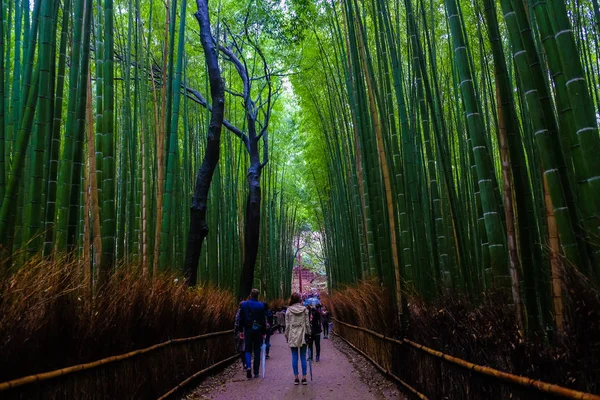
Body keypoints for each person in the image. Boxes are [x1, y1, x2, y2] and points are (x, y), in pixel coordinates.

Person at [240, 289, 266, 379]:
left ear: (250, 295)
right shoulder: (261, 305)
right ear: (257, 296)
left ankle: (248, 367)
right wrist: (263, 332)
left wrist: (240, 331)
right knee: (257, 350)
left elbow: (241, 319)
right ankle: (256, 371)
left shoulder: (244, 305)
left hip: (247, 329)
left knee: (248, 349)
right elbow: (263, 320)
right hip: (258, 330)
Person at [285, 292, 311, 385]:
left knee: (294, 356)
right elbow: (307, 324)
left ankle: (296, 378)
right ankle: (304, 378)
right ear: (299, 300)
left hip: (292, 334)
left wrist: (286, 335)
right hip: (303, 334)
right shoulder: (305, 310)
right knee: (303, 356)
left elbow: (287, 325)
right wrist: (309, 333)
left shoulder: (288, 310)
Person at [234, 301, 246, 368]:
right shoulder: (244, 312)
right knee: (244, 347)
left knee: (242, 348)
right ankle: (245, 362)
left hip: (240, 332)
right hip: (243, 332)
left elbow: (236, 324)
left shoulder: (238, 313)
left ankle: (244, 362)